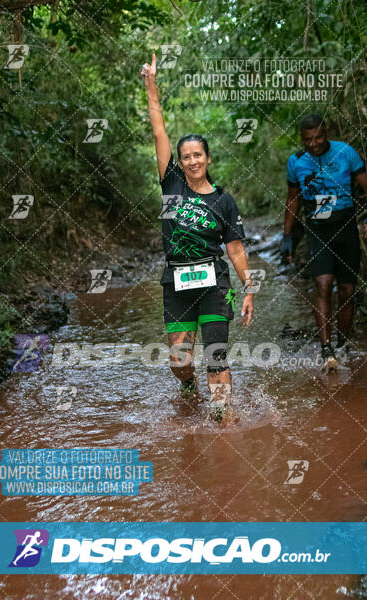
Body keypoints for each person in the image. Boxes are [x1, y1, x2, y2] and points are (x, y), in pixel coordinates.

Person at [141, 54, 254, 421]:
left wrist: (248, 286)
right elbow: (159, 130)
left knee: (216, 355)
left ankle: (222, 419)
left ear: (207, 158)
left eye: (198, 155)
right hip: (176, 282)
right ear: (179, 161)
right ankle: (187, 385)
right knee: (179, 362)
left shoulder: (223, 200)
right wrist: (151, 86)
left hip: (215, 283)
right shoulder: (171, 184)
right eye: (185, 156)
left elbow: (235, 248)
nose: (191, 161)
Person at [281, 113, 367, 370]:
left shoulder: (346, 153)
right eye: (308, 139)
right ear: (302, 138)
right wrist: (287, 237)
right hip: (317, 230)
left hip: (345, 227)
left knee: (347, 290)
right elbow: (293, 199)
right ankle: (326, 347)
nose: (314, 143)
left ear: (326, 133)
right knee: (322, 284)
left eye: (318, 137)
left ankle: (343, 342)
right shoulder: (296, 162)